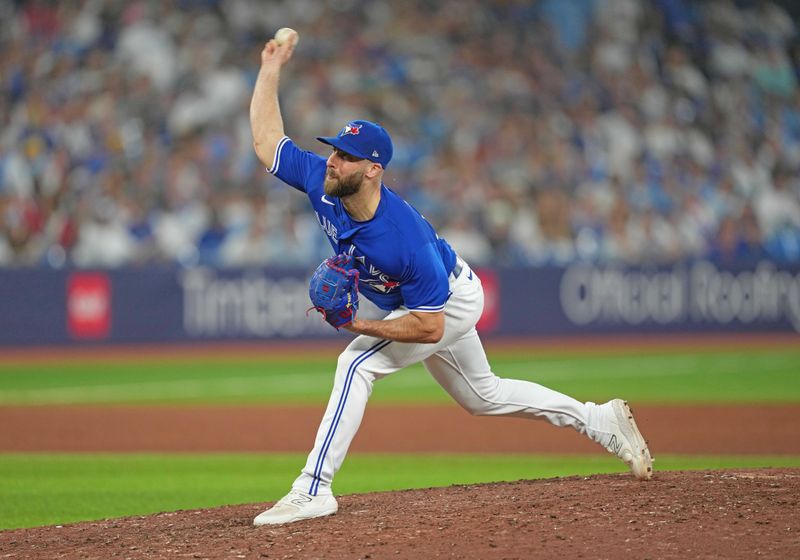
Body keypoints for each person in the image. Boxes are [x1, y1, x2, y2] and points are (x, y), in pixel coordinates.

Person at [250, 36, 653, 526]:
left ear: (373, 170)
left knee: (355, 366)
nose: (333, 160)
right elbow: (268, 143)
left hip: (448, 302)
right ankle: (599, 419)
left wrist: (359, 325)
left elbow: (430, 328)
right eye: (334, 151)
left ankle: (313, 489)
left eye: (347, 156)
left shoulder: (403, 239)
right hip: (425, 301)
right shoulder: (323, 181)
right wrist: (271, 68)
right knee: (483, 396)